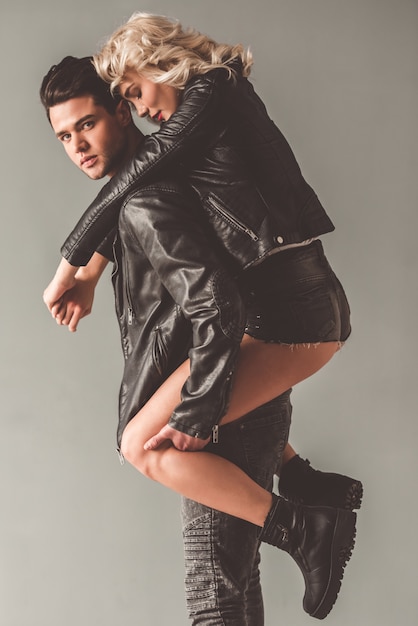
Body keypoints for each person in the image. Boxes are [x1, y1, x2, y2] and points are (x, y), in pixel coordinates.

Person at [41, 15, 359, 619]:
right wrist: (89, 270)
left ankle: (305, 524)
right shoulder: (176, 157)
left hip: (288, 317)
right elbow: (140, 187)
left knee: (211, 580)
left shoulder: (213, 93)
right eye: (64, 136)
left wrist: (70, 262)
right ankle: (304, 488)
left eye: (96, 118)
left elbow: (152, 209)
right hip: (283, 318)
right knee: (223, 583)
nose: (78, 145)